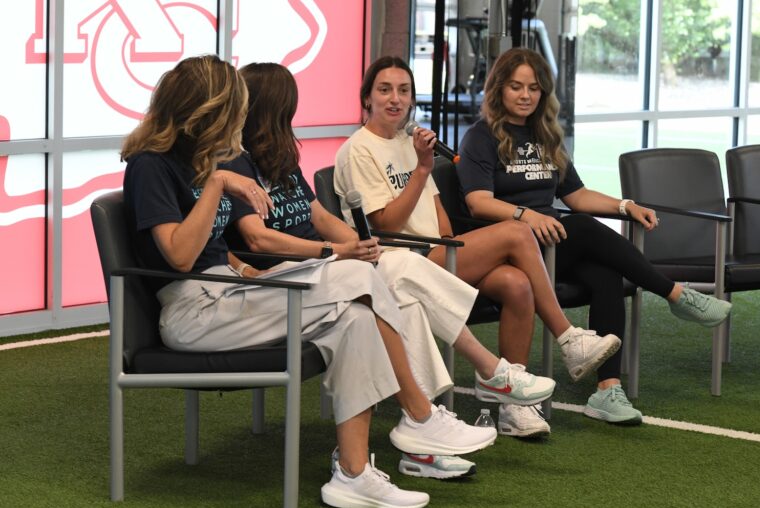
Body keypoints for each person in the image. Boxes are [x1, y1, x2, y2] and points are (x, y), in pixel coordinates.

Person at [119, 55, 498, 508]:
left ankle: (354, 476)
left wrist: (248, 271)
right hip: (193, 313)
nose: (237, 127)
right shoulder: (151, 165)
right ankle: (419, 414)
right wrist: (220, 184)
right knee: (360, 273)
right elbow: (179, 255)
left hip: (230, 293)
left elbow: (218, 249)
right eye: (231, 114)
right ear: (206, 111)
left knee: (357, 319)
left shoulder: (200, 159)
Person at [222, 62, 556, 477]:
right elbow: (257, 241)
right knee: (397, 266)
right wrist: (335, 251)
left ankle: (422, 434)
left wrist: (355, 244)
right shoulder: (232, 165)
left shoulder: (280, 159)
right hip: (292, 279)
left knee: (401, 289)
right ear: (273, 108)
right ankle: (483, 375)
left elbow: (319, 214)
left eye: (403, 90)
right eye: (289, 105)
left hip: (326, 265)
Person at [334, 55, 621, 436]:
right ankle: (569, 338)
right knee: (518, 231)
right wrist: (422, 170)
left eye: (404, 91)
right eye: (384, 90)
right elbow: (385, 224)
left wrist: (456, 244)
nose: (395, 99)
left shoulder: (407, 141)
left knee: (517, 284)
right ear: (366, 98)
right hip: (399, 260)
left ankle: (513, 408)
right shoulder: (359, 149)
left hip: (437, 251)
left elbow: (437, 212)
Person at [456, 47, 733, 424]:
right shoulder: (481, 136)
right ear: (498, 89)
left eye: (534, 88)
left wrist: (625, 206)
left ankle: (607, 391)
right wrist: (526, 215)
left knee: (606, 274)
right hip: (508, 249)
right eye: (516, 87)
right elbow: (478, 202)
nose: (525, 96)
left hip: (551, 244)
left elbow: (576, 195)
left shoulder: (546, 136)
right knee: (583, 226)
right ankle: (675, 293)